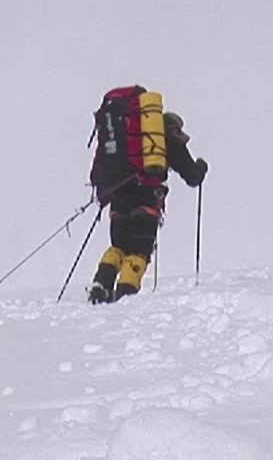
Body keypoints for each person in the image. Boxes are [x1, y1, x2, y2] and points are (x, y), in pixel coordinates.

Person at [87, 87, 207, 304]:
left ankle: (101, 283)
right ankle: (126, 294)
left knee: (118, 248)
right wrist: (201, 168)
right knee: (139, 252)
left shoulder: (124, 136)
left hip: (118, 197)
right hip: (147, 199)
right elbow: (192, 177)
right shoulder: (163, 137)